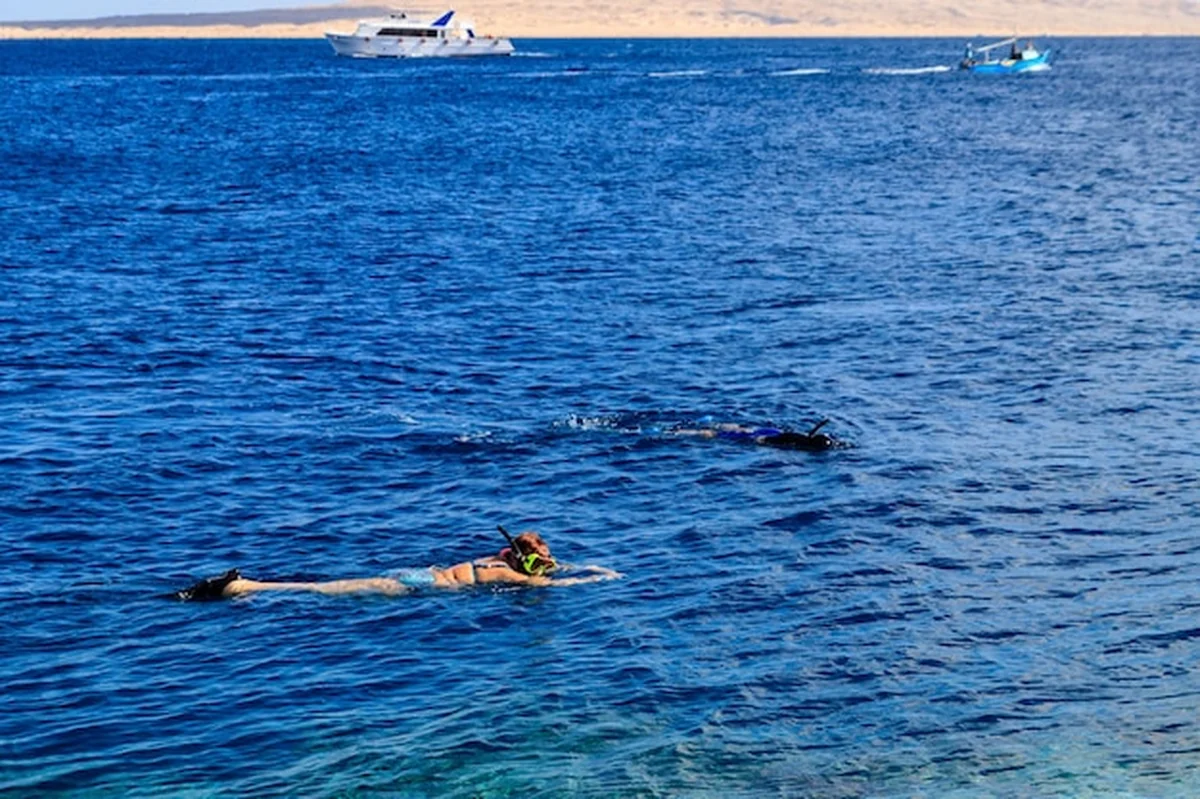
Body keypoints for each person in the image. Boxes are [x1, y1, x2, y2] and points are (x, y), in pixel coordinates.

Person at [174, 529, 622, 601]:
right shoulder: (505, 573)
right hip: (418, 589)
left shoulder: (497, 557)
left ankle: (254, 585)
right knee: (325, 590)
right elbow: (551, 586)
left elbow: (538, 569)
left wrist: (548, 565)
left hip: (422, 575)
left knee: (331, 586)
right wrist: (599, 574)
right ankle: (248, 587)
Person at [667, 418, 838, 452]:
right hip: (772, 436)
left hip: (775, 432)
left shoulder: (806, 438)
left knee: (743, 428)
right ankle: (676, 432)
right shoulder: (801, 446)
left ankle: (713, 422)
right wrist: (761, 442)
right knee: (713, 435)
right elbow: (778, 442)